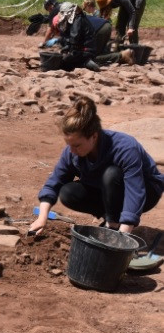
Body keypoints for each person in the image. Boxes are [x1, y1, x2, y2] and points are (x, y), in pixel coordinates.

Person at [31, 97, 164, 235]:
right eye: (69, 145)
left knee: (111, 174)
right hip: (109, 190)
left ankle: (114, 225)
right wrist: (42, 218)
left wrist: (123, 235)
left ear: (93, 136)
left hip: (147, 191)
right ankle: (111, 219)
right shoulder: (72, 152)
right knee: (68, 192)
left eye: (77, 145)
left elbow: (135, 191)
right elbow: (54, 182)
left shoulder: (125, 148)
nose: (72, 151)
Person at [56, 3, 99, 72]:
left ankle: (85, 63)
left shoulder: (77, 20)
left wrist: (68, 51)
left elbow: (74, 39)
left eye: (63, 13)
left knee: (63, 63)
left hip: (86, 50)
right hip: (88, 48)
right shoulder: (79, 17)